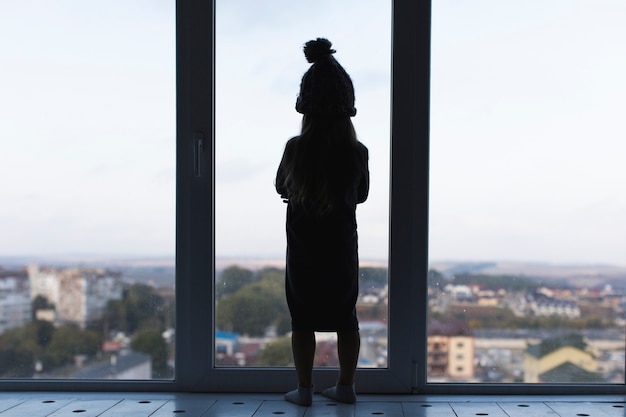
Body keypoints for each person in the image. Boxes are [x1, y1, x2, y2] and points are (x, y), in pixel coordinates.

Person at [275, 38, 369, 406]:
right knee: (346, 316)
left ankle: (304, 390)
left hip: (303, 247)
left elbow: (281, 186)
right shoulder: (356, 152)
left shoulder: (295, 149)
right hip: (342, 246)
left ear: (306, 109)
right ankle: (346, 386)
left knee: (303, 317)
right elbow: (360, 194)